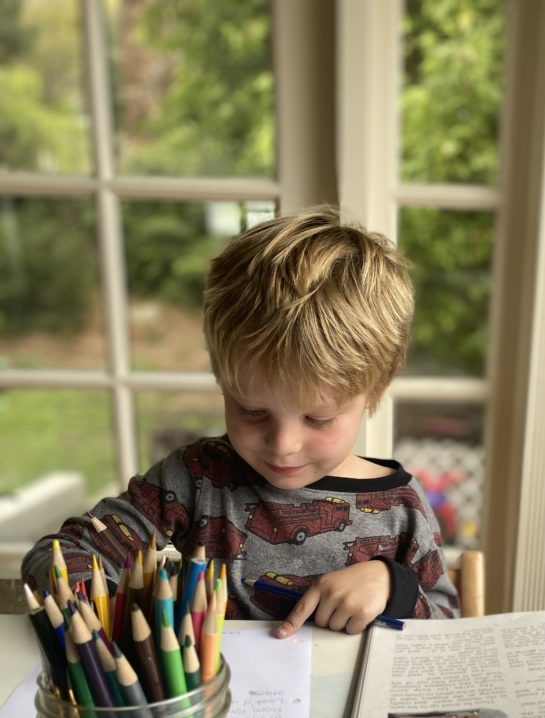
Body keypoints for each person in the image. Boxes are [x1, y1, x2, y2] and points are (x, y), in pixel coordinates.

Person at [21, 207, 460, 635]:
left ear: (375, 390)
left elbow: (449, 628)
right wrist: (105, 607)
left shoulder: (401, 508)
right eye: (252, 411)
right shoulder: (195, 479)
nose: (283, 443)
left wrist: (393, 587)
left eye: (318, 417)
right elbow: (60, 555)